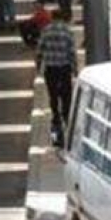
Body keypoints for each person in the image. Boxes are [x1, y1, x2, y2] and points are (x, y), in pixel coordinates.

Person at [36, 8, 77, 146]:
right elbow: (72, 52)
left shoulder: (46, 31)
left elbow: (39, 50)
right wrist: (75, 69)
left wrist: (38, 67)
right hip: (64, 69)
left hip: (51, 69)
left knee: (53, 95)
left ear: (52, 17)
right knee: (66, 96)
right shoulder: (67, 31)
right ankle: (67, 118)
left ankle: (56, 119)